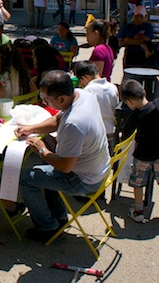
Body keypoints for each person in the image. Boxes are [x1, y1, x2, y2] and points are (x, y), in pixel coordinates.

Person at [15, 70, 110, 242]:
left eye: (47, 100)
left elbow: (65, 167)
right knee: (43, 172)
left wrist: (43, 150)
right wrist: (31, 128)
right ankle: (59, 217)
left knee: (24, 177)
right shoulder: (82, 94)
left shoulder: (74, 124)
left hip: (84, 179)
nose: (45, 102)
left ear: (61, 99)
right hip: (99, 168)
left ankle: (46, 227)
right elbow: (58, 119)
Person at [121, 76, 159, 223]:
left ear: (130, 101)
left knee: (138, 183)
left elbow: (124, 135)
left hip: (142, 155)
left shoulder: (135, 116)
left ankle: (138, 210)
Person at [74, 61, 119, 152]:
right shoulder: (112, 87)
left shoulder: (88, 90)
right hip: (111, 131)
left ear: (84, 77)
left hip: (96, 134)